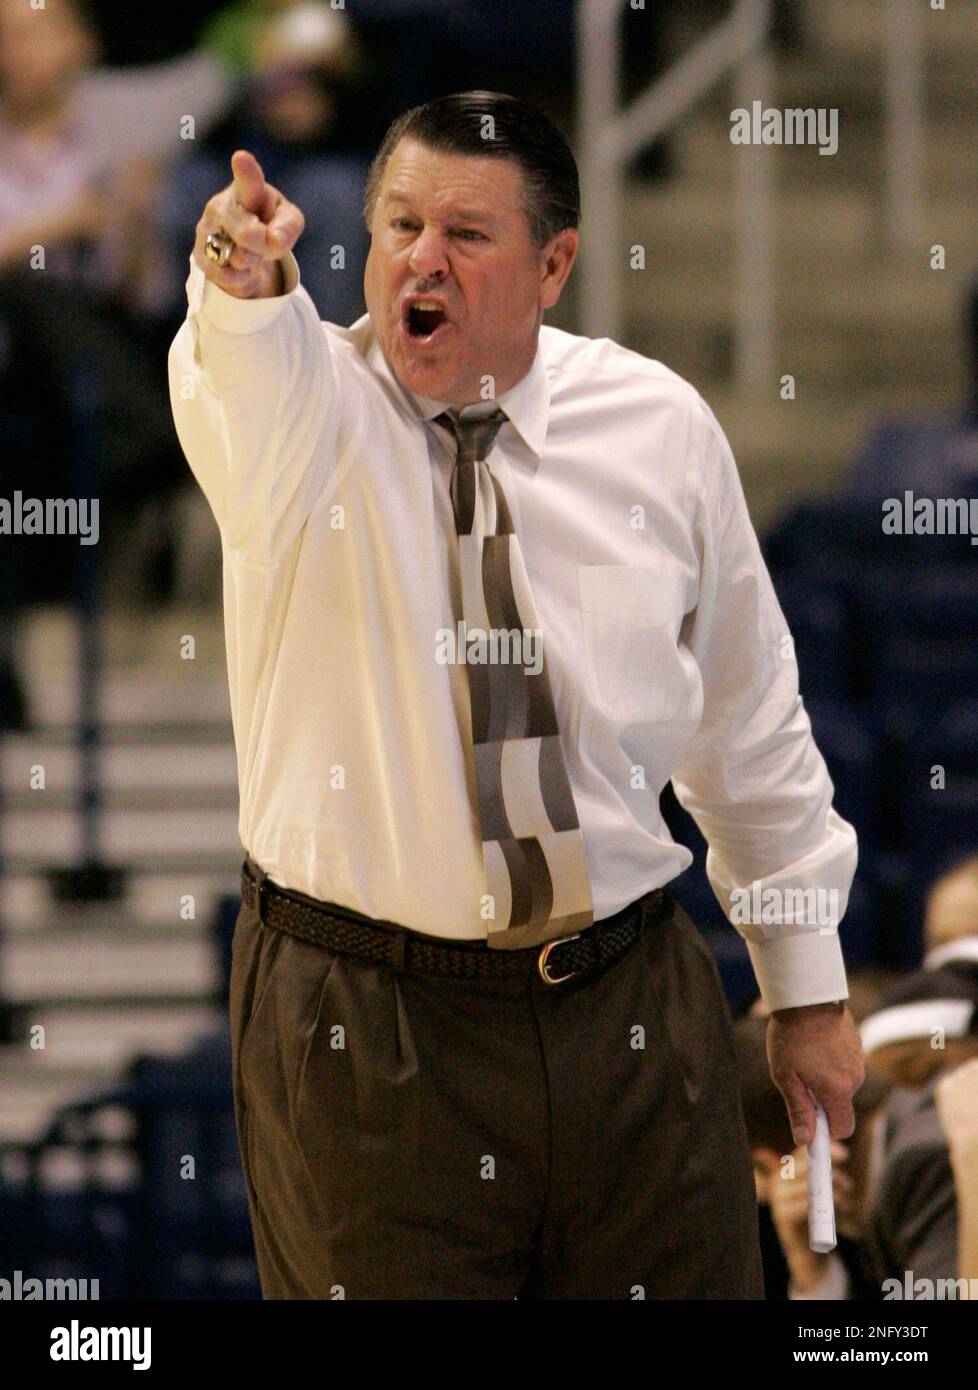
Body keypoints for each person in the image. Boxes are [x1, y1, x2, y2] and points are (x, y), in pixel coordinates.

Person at [167, 91, 864, 1300]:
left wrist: (807, 987)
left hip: (630, 1000)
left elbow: (749, 725)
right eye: (397, 227)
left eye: (466, 234)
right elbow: (236, 369)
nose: (420, 260)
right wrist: (236, 275)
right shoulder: (300, 413)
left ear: (554, 265)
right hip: (371, 1026)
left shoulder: (656, 428)